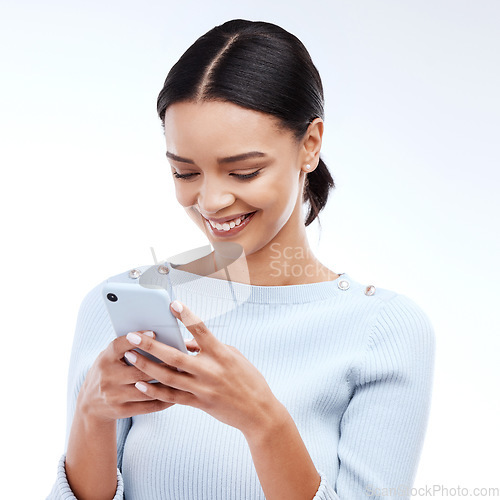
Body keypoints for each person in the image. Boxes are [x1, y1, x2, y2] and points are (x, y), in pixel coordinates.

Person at [47, 19, 435, 500]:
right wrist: (92, 414)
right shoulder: (126, 306)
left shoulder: (383, 331)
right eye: (184, 172)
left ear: (309, 144)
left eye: (244, 171)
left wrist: (261, 419)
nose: (210, 201)